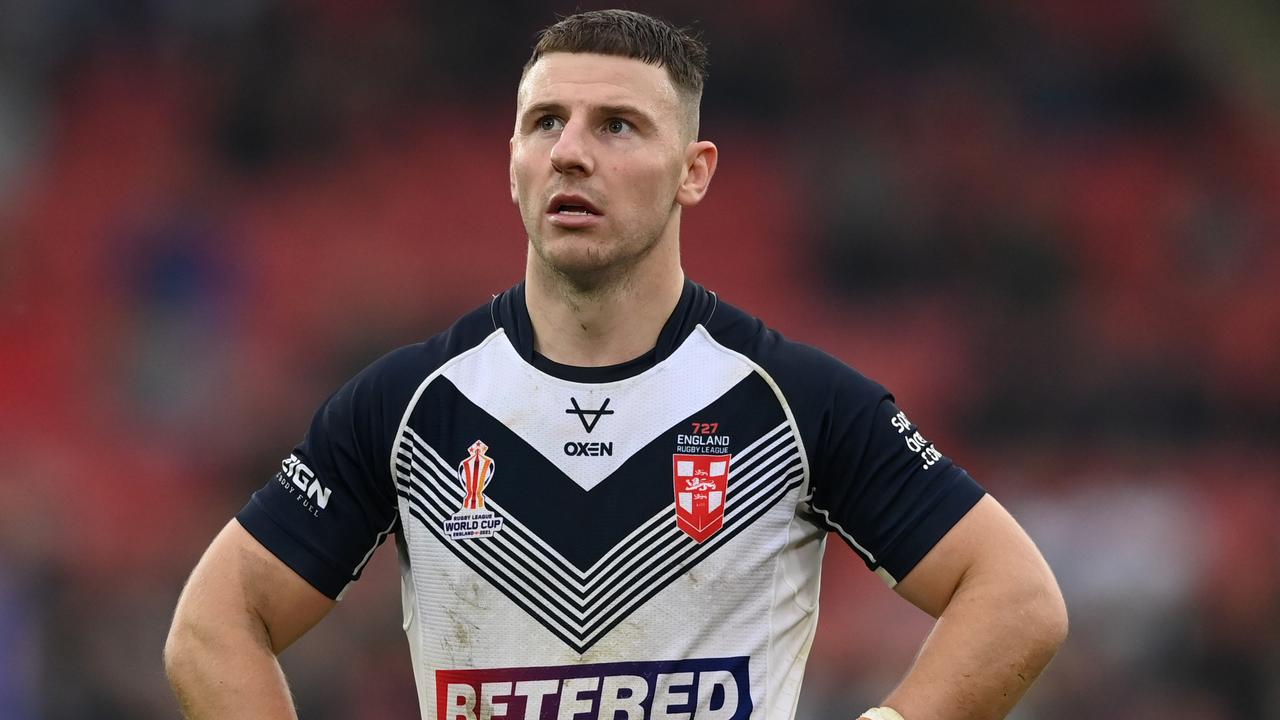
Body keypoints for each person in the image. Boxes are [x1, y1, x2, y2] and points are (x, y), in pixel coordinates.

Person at [164, 9, 1067, 720]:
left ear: (694, 171)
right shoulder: (410, 406)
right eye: (545, 122)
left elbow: (1015, 596)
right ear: (513, 160)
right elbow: (213, 624)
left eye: (619, 126)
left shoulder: (793, 402)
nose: (571, 151)